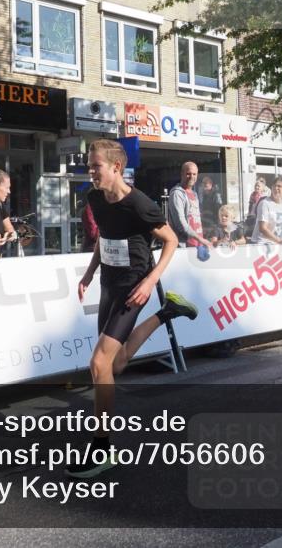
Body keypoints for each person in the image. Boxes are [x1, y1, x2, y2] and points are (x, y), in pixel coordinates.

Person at [71, 139, 194, 479]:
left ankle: (102, 448)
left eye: (95, 166)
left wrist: (149, 281)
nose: (90, 171)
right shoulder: (95, 198)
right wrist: (90, 272)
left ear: (115, 168)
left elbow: (171, 241)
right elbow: (104, 238)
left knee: (98, 363)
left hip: (133, 285)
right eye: (89, 165)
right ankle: (166, 313)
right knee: (117, 362)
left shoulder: (139, 204)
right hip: (110, 282)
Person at [166, 162, 211, 248]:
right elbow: (181, 224)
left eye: (194, 174)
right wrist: (200, 239)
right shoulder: (177, 194)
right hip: (184, 246)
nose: (191, 177)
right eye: (188, 174)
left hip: (197, 244)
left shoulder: (194, 194)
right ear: (182, 174)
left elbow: (195, 219)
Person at [252, 177, 282, 245]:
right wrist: (279, 241)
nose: (276, 188)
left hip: (276, 244)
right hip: (262, 244)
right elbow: (263, 228)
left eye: (279, 186)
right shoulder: (265, 203)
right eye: (274, 186)